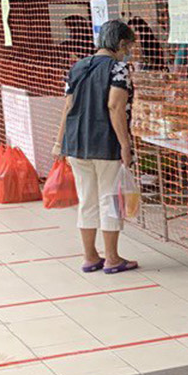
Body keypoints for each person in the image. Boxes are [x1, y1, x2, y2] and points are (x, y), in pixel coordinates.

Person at [55, 19, 138, 274]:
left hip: (76, 143)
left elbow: (68, 107)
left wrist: (59, 142)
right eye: (129, 46)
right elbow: (115, 107)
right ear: (121, 44)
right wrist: (125, 144)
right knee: (110, 199)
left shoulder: (77, 67)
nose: (129, 51)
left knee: (87, 199)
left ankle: (90, 256)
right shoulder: (119, 69)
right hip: (104, 141)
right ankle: (112, 258)